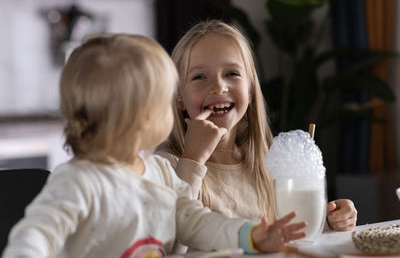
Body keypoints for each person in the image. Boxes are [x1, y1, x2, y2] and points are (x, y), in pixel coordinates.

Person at [2, 34, 307, 258]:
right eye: (165, 99)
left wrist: (249, 235)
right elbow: (35, 236)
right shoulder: (78, 181)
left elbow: (194, 221)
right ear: (141, 115)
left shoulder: (160, 172)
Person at [157, 20, 357, 232]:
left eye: (232, 73)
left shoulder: (267, 163)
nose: (219, 87)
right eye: (199, 76)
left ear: (250, 90)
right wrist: (193, 160)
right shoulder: (165, 166)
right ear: (179, 96)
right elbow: (165, 236)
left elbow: (294, 235)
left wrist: (330, 221)